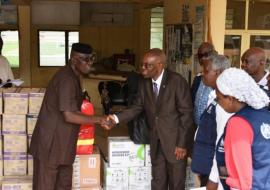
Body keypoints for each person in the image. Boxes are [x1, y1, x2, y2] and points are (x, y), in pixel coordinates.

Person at [104, 48, 193, 190]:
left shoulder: (177, 82)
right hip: (156, 141)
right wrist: (115, 118)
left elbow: (186, 114)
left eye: (148, 65)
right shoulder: (144, 83)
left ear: (160, 65)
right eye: (142, 65)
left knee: (176, 183)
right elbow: (136, 107)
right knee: (158, 182)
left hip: (175, 144)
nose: (143, 69)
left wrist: (182, 144)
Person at [29, 43, 106, 190]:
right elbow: (69, 115)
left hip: (63, 144)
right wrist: (99, 119)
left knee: (64, 184)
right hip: (50, 145)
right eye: (86, 60)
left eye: (92, 59)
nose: (90, 64)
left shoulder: (74, 76)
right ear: (74, 59)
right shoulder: (66, 79)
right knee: (45, 185)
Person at [215, 68, 270, 190]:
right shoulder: (265, 115)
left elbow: (242, 178)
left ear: (231, 98)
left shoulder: (238, 123)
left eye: (218, 98)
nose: (217, 102)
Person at [191, 54, 232, 189]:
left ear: (219, 73)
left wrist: (213, 179)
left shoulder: (225, 103)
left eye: (207, 71)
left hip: (214, 169)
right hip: (206, 163)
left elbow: (221, 143)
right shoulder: (213, 95)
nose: (203, 74)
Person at [191, 42, 217, 127]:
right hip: (196, 128)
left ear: (214, 53)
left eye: (205, 54)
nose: (202, 58)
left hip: (212, 130)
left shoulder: (221, 79)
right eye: (200, 56)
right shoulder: (197, 79)